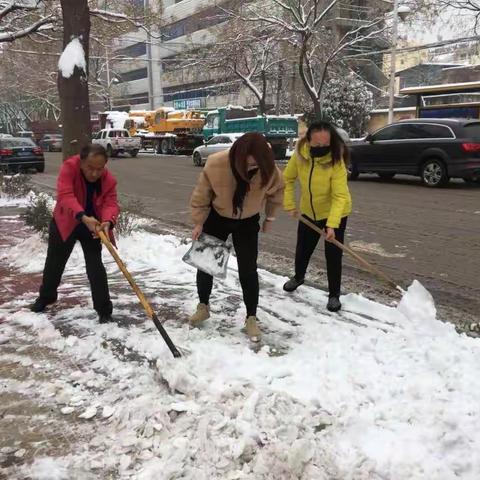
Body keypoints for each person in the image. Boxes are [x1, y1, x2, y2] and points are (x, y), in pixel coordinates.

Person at [189, 132, 284, 342]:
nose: (250, 168)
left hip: (248, 220)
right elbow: (201, 194)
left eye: (254, 165)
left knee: (248, 269)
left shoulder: (269, 169)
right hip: (218, 216)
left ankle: (251, 317)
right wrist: (198, 222)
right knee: (206, 264)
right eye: (246, 164)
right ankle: (203, 306)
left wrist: (270, 217)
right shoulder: (216, 163)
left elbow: (277, 192)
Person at [30, 144, 120, 323]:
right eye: (90, 168)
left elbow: (111, 203)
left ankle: (104, 309)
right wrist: (83, 217)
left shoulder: (108, 180)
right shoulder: (69, 168)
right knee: (55, 261)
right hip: (67, 220)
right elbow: (65, 195)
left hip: (93, 225)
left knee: (95, 266)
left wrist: (108, 222)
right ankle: (46, 297)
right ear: (81, 163)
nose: (94, 173)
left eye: (99, 169)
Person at [283, 121, 352, 312]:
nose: (322, 148)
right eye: (317, 145)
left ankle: (334, 295)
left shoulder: (336, 160)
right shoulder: (300, 155)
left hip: (335, 212)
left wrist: (331, 225)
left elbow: (339, 196)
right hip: (309, 212)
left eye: (325, 145)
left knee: (333, 254)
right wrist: (289, 204)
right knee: (303, 248)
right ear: (308, 141)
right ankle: (298, 277)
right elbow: (287, 179)